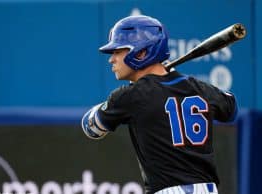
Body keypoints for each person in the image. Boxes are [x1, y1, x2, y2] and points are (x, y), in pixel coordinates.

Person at [81, 15, 237, 194]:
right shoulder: (198, 87)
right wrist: (178, 81)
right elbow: (230, 108)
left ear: (140, 53)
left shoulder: (129, 96)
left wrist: (109, 104)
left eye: (118, 51)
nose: (111, 59)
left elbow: (92, 128)